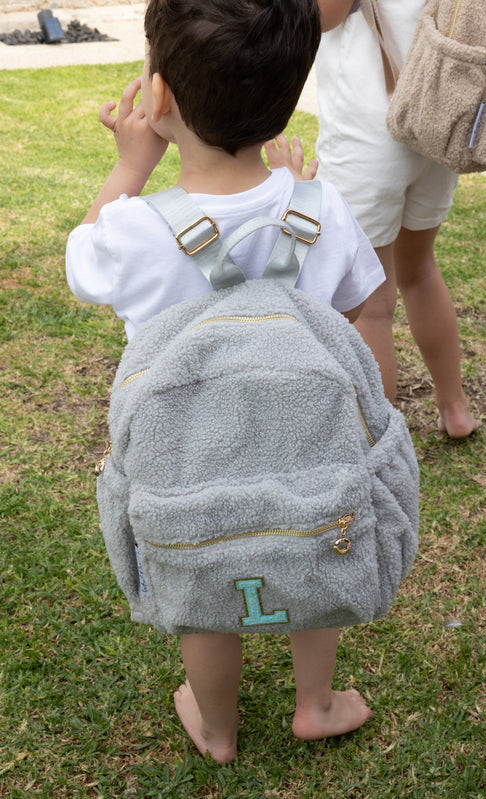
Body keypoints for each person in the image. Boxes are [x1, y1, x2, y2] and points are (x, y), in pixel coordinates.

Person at [66, 0, 384, 763]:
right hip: (309, 437)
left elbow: (83, 266)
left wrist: (129, 166)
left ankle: (216, 724)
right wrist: (297, 197)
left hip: (183, 456)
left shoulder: (136, 229)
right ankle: (316, 701)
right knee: (320, 532)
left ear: (161, 94)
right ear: (291, 88)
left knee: (197, 563)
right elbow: (354, 302)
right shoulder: (320, 206)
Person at [312, 0, 480, 438]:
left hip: (371, 127)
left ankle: (378, 440)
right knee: (419, 268)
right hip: (441, 119)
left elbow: (322, 15)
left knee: (370, 303)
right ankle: (454, 408)